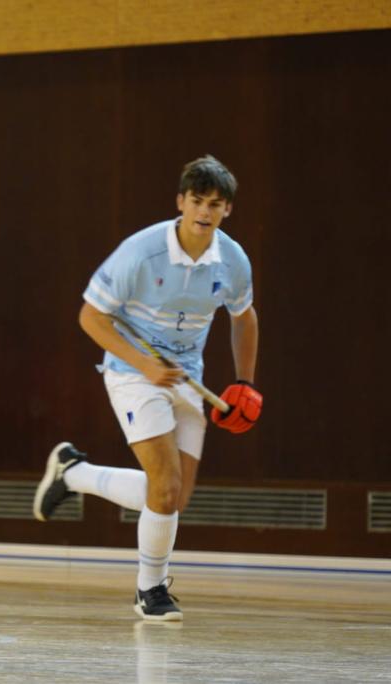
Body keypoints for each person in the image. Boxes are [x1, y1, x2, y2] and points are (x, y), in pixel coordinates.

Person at [34, 155, 261, 621]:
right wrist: (144, 364)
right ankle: (150, 590)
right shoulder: (140, 252)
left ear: (227, 210)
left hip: (187, 375)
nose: (203, 211)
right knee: (166, 484)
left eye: (214, 204)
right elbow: (90, 317)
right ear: (180, 201)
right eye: (196, 201)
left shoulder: (232, 260)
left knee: (172, 498)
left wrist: (245, 382)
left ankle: (72, 474)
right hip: (132, 371)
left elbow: (244, 317)